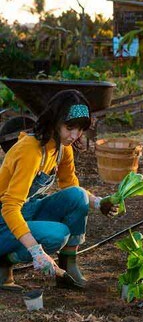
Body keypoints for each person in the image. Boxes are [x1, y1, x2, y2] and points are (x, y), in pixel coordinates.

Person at [0, 90, 121, 290]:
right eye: (70, 127)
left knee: (77, 195)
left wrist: (98, 203)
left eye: (80, 129)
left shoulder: (61, 148)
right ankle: (5, 261)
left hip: (26, 210)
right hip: (4, 219)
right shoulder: (31, 151)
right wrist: (36, 251)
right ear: (54, 121)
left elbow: (71, 186)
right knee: (57, 235)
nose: (75, 135)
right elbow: (10, 207)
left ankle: (69, 264)